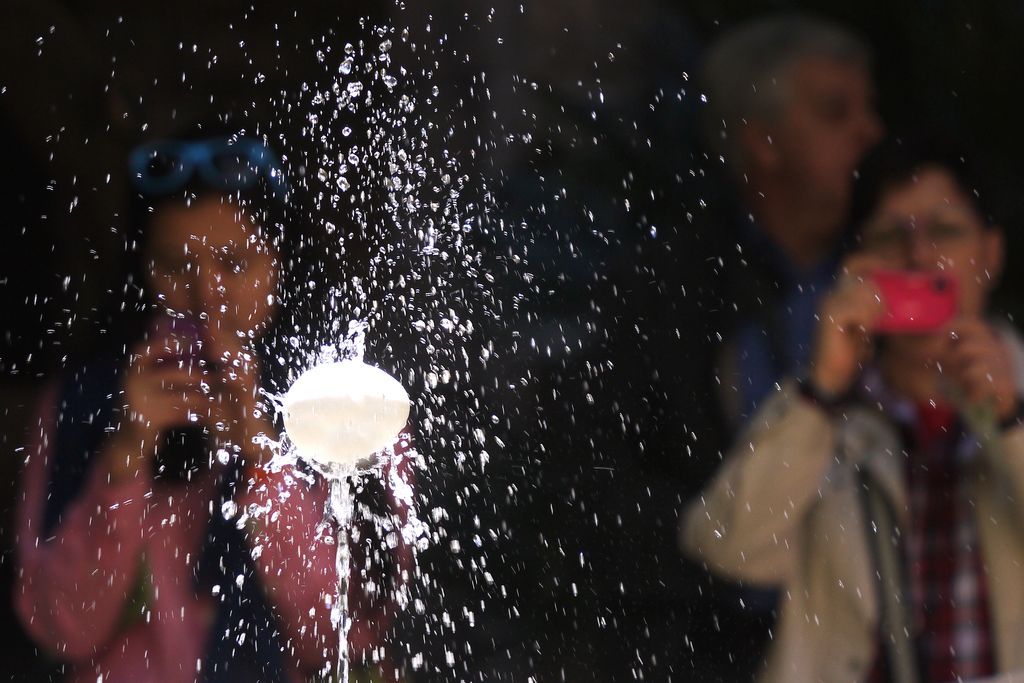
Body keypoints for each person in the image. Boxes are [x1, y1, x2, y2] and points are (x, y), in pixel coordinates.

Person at [14, 128, 409, 682]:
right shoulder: (83, 401)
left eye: (234, 264)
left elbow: (345, 632)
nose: (204, 297)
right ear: (140, 272)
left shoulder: (349, 402)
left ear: (283, 267)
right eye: (175, 266)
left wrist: (258, 451)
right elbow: (60, 630)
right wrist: (126, 454)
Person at [682, 138, 1024, 682]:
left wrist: (1008, 424)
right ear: (856, 267)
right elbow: (729, 550)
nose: (918, 256)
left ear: (991, 254)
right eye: (891, 236)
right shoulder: (821, 410)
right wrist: (822, 391)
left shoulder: (1018, 400)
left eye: (945, 231)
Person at [698, 14, 885, 425]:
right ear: (764, 143)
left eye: (869, 108)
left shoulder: (896, 254)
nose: (871, 131)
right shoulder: (679, 285)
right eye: (836, 113)